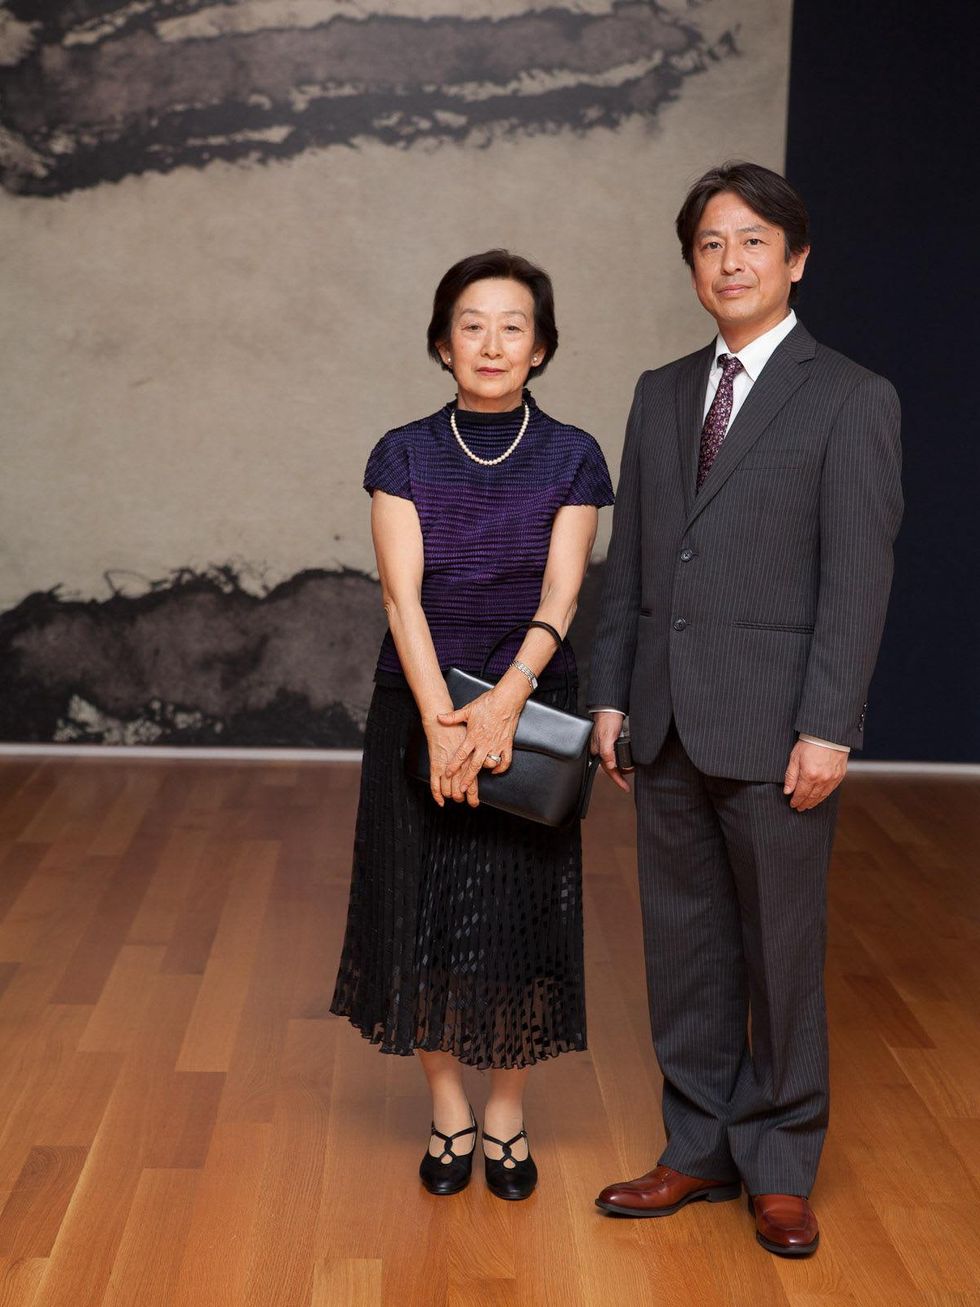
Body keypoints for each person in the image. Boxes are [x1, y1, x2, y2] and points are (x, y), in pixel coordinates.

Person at [588, 162, 902, 1256]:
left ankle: (779, 1161)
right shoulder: (660, 390)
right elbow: (628, 561)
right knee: (682, 948)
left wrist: (830, 724)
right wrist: (609, 695)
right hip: (663, 720)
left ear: (794, 258)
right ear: (691, 266)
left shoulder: (851, 397)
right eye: (710, 245)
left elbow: (855, 580)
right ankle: (695, 1147)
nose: (730, 261)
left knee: (779, 953)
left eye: (752, 241)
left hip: (778, 732)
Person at [331, 250, 614, 1201]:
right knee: (420, 911)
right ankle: (447, 1105)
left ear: (540, 348)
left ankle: (506, 1110)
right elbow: (400, 599)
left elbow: (564, 590)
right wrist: (443, 722)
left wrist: (504, 703)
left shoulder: (573, 454)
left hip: (531, 714)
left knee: (518, 918)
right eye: (471, 324)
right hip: (419, 709)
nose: (491, 343)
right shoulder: (402, 451)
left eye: (513, 326)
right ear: (441, 343)